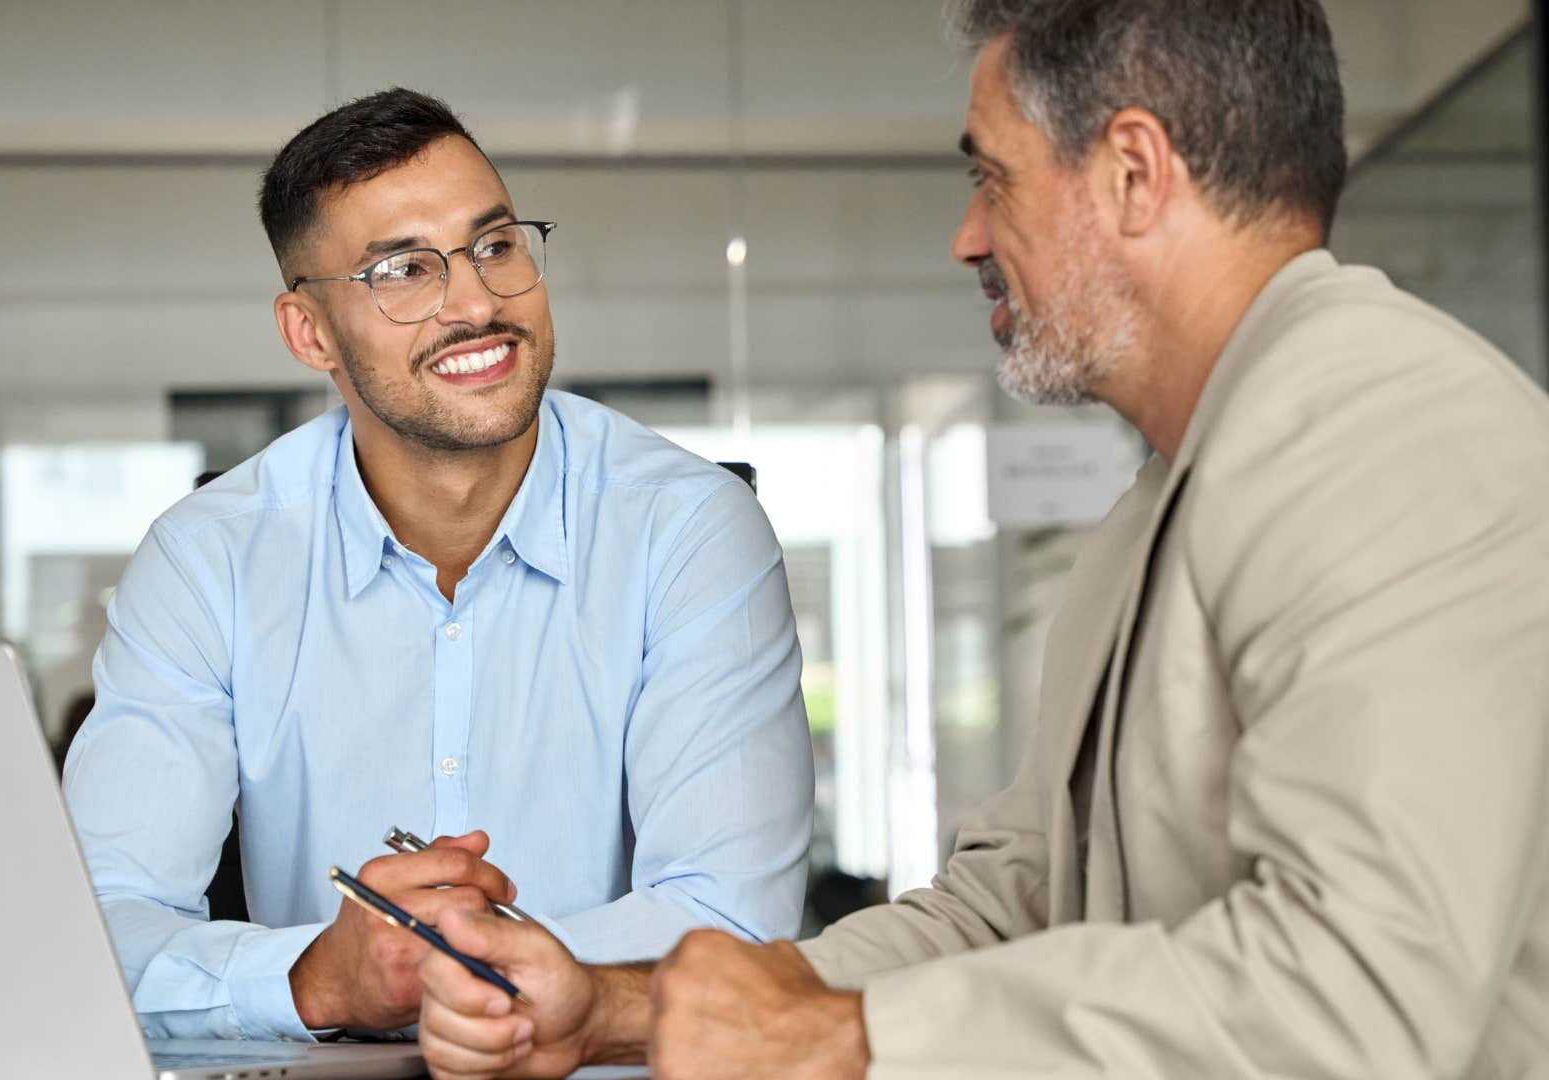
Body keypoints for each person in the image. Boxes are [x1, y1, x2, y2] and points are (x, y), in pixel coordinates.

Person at [413, 2, 1549, 1077]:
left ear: (1135, 174)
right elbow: (1015, 904)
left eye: (990, 178)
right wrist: (621, 1006)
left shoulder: (1386, 428)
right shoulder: (1167, 501)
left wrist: (845, 1044)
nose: (967, 237)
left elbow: (1356, 994)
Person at [60, 88, 813, 1043]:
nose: (476, 302)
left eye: (496, 246)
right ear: (310, 333)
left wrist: (457, 968)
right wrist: (313, 979)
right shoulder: (210, 557)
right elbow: (99, 929)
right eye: (402, 270)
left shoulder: (691, 528)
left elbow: (735, 920)